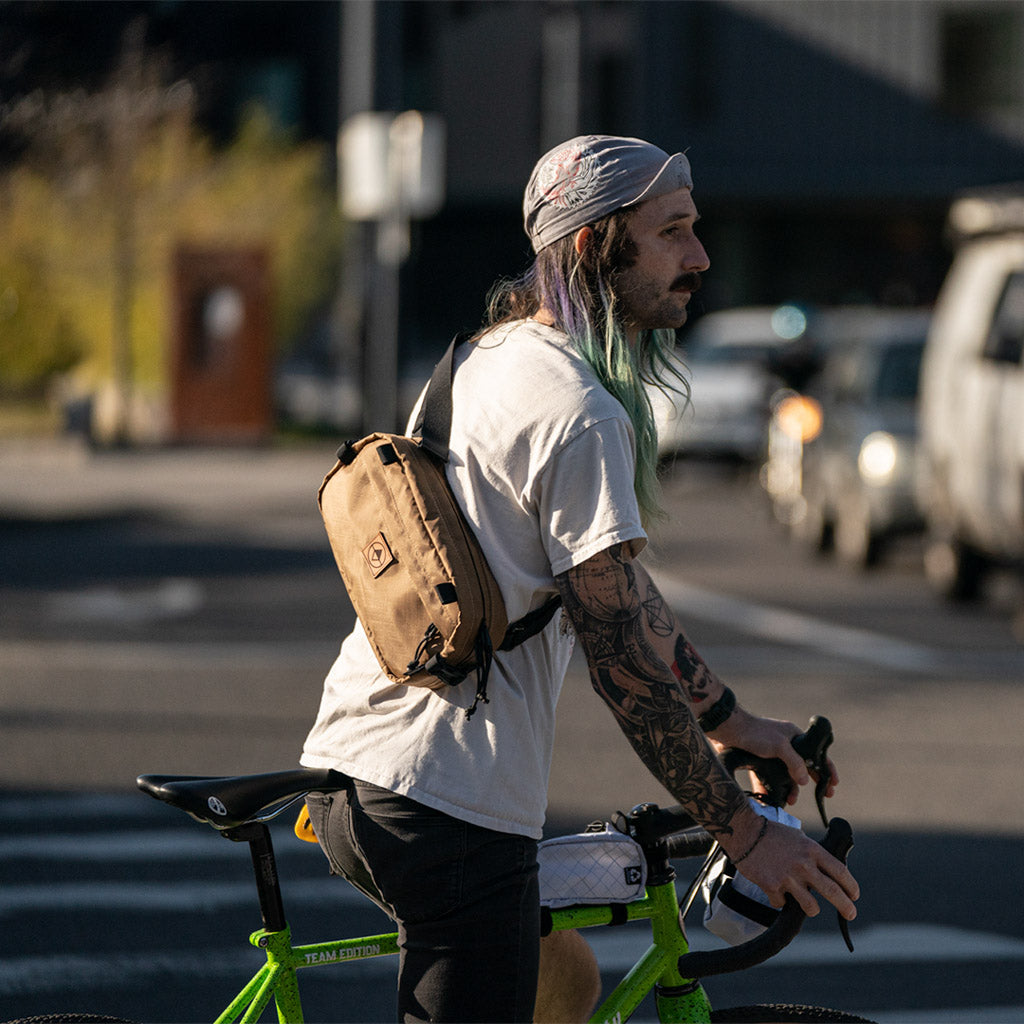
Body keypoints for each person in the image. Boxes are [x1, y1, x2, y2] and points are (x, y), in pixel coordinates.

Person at [300, 134, 859, 1023]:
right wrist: (745, 834)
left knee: (565, 983)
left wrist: (730, 720)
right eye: (672, 232)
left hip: (364, 771)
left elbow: (619, 598)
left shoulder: (483, 361)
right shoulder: (580, 412)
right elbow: (622, 667)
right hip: (447, 807)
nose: (700, 257)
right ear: (600, 246)